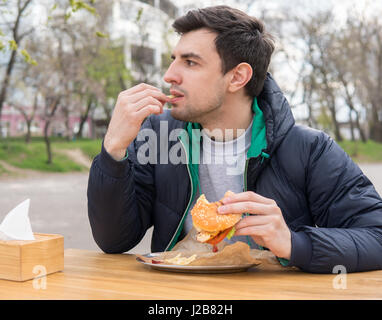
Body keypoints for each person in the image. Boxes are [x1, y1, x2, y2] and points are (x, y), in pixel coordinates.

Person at [87, 5, 382, 273]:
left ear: (237, 77)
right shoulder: (158, 136)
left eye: (190, 63)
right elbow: (114, 240)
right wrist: (113, 150)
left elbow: (377, 236)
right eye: (173, 59)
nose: (169, 75)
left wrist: (294, 243)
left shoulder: (308, 149)